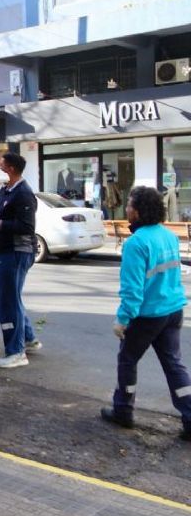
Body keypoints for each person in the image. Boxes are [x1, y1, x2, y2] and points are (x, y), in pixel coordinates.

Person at [101, 186, 190, 441]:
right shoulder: (168, 236)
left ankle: (123, 411)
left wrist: (123, 319)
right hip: (173, 310)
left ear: (137, 212)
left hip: (148, 315)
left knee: (128, 360)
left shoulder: (136, 243)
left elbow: (132, 290)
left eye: (129, 205)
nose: (126, 208)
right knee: (174, 364)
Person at [0, 152, 41, 369]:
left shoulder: (23, 193)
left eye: (0, 165)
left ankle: (16, 352)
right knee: (10, 297)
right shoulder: (5, 190)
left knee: (7, 301)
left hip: (16, 253)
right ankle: (28, 338)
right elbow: (0, 215)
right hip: (4, 252)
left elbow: (26, 227)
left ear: (10, 169)